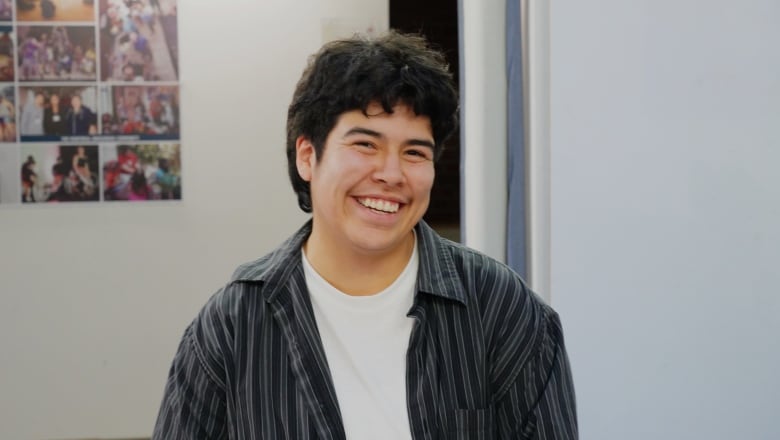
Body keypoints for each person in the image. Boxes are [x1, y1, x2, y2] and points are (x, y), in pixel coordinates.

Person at [153, 31, 578, 439]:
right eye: (365, 145)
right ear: (307, 156)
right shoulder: (233, 325)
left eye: (414, 152)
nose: (391, 174)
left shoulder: (501, 308)